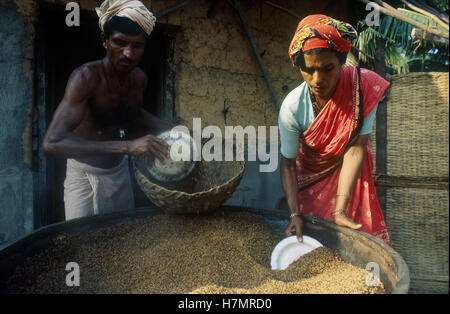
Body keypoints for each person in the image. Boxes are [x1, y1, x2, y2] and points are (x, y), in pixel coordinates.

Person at [42, 0, 171, 220]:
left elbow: (133, 111)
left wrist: (173, 128)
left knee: (121, 242)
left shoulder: (139, 79)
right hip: (84, 176)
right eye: (120, 42)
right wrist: (129, 146)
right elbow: (51, 144)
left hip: (119, 173)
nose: (128, 54)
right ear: (105, 41)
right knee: (82, 244)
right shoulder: (86, 78)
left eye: (136, 46)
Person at [279, 14, 390, 244]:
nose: (317, 79)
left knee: (357, 244)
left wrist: (340, 210)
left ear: (341, 61)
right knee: (314, 243)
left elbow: (356, 147)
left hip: (352, 175)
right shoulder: (292, 107)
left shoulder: (362, 88)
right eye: (308, 70)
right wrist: (294, 214)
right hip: (311, 179)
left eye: (327, 68)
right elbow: (288, 164)